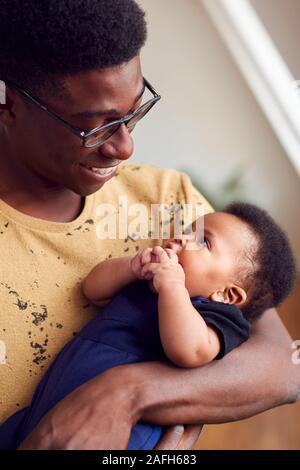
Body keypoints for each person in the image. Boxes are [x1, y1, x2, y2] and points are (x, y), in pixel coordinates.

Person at [0, 0, 299, 450]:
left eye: (135, 111)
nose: (125, 147)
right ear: (11, 102)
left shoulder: (168, 200)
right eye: (95, 127)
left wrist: (124, 394)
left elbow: (281, 367)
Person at [0, 203, 296, 449]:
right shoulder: (148, 281)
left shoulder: (215, 318)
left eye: (203, 242)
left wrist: (172, 287)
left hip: (120, 434)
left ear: (227, 294)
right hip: (45, 408)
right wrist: (130, 267)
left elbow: (188, 351)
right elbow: (93, 289)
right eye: (187, 230)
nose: (182, 239)